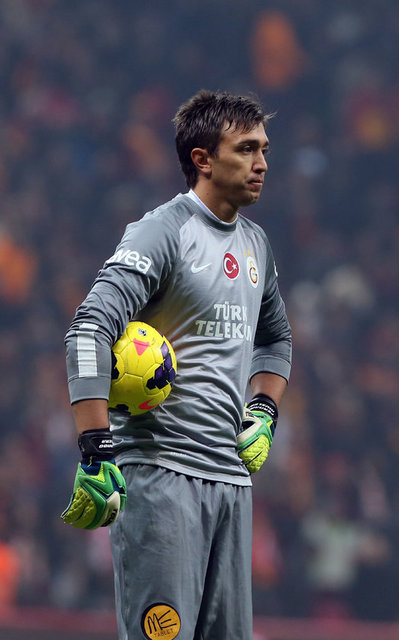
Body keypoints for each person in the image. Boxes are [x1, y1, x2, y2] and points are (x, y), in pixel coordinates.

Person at [61, 89, 292, 640]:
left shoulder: (256, 244)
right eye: (246, 149)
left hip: (231, 480)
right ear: (203, 159)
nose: (262, 163)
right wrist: (95, 447)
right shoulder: (162, 232)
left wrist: (263, 410)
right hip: (162, 476)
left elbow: (277, 339)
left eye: (264, 148)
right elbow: (89, 330)